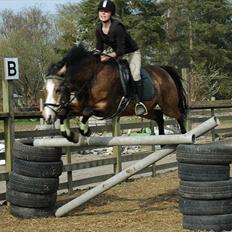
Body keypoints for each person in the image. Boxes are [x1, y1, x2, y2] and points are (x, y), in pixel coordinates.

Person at [95, 0, 148, 116]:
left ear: (111, 13)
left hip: (131, 52)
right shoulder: (98, 28)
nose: (103, 14)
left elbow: (121, 50)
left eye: (106, 11)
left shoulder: (117, 27)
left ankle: (139, 102)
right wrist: (94, 56)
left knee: (135, 74)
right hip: (116, 53)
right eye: (101, 11)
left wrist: (107, 56)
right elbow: (99, 48)